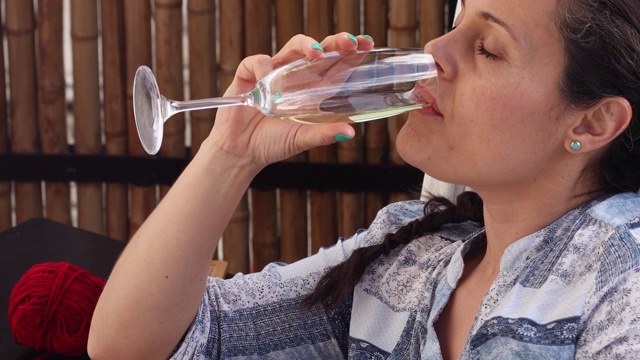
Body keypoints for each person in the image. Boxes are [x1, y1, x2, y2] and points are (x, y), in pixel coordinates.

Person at [88, 0, 640, 358]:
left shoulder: (622, 274)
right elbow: (130, 346)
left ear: (593, 122)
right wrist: (229, 154)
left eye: (487, 49)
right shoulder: (412, 257)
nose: (433, 53)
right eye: (455, 25)